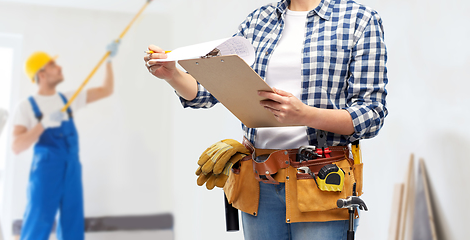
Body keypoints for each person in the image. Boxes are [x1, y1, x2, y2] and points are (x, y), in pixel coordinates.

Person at [144, 0, 387, 239]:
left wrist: (305, 115)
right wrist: (173, 74)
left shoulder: (359, 20)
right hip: (260, 181)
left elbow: (371, 114)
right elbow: (209, 91)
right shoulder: (258, 21)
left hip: (320, 182)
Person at [12, 40, 119, 240]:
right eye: (53, 65)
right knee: (38, 222)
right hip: (46, 170)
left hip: (71, 167)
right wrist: (42, 124)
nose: (59, 67)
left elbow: (106, 90)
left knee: (72, 224)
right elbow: (17, 146)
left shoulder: (69, 99)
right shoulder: (26, 106)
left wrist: (109, 62)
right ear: (41, 74)